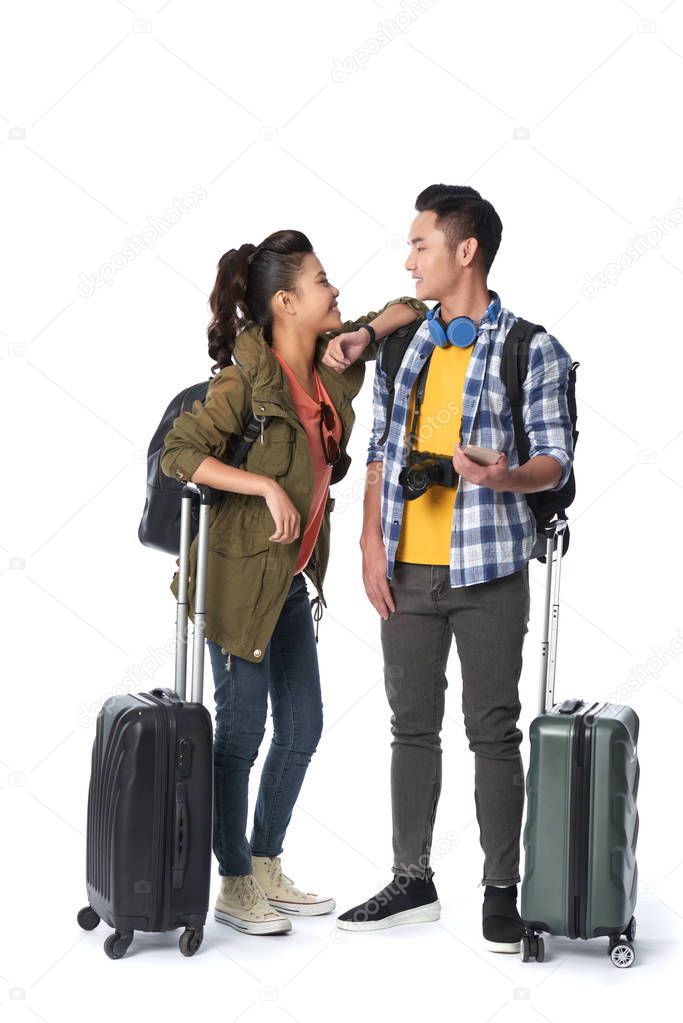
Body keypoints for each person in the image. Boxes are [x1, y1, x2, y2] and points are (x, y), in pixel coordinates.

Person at [160, 229, 425, 936]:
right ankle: (234, 881)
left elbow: (412, 305)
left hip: (287, 578)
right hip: (236, 578)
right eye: (320, 280)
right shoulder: (245, 376)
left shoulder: (327, 369)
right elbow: (177, 453)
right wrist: (261, 487)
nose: (334, 288)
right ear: (285, 301)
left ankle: (265, 859)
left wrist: (360, 333)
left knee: (301, 724)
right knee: (242, 728)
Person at [334, 186, 575, 953]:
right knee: (410, 726)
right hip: (404, 568)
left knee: (492, 732)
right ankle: (413, 879)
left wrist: (502, 477)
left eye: (420, 246)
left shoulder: (527, 348)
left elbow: (554, 462)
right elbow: (378, 452)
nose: (408, 260)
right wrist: (371, 544)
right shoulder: (406, 343)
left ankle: (501, 890)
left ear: (463, 251)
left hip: (488, 570)